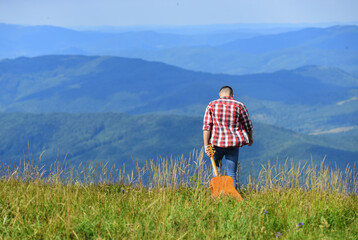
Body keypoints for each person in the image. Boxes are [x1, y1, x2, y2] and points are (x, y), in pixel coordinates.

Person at [203, 86, 253, 188]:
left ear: (219, 94)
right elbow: (248, 125)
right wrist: (250, 138)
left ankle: (219, 194)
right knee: (232, 174)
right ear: (232, 95)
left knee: (217, 171)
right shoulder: (239, 106)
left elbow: (207, 127)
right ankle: (232, 196)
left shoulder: (211, 105)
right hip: (233, 145)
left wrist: (206, 145)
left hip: (216, 144)